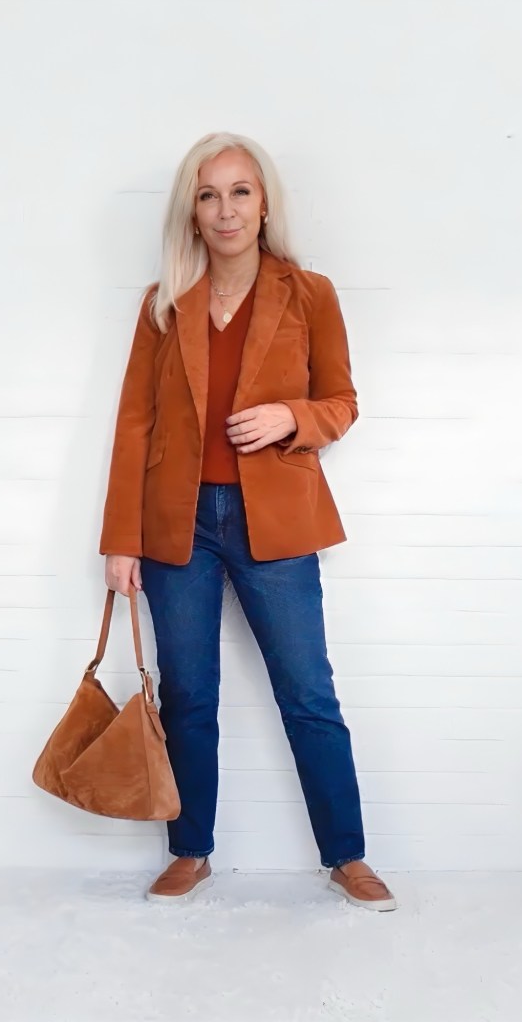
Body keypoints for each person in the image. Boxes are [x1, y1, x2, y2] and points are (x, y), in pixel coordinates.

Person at [99, 131, 397, 912]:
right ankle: (189, 851)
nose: (224, 209)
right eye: (207, 194)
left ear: (263, 204)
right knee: (188, 696)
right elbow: (134, 423)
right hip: (178, 526)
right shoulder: (163, 304)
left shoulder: (309, 293)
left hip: (275, 520)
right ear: (190, 213)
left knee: (307, 694)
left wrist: (287, 418)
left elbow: (342, 403)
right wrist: (120, 541)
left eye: (239, 191)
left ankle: (346, 856)